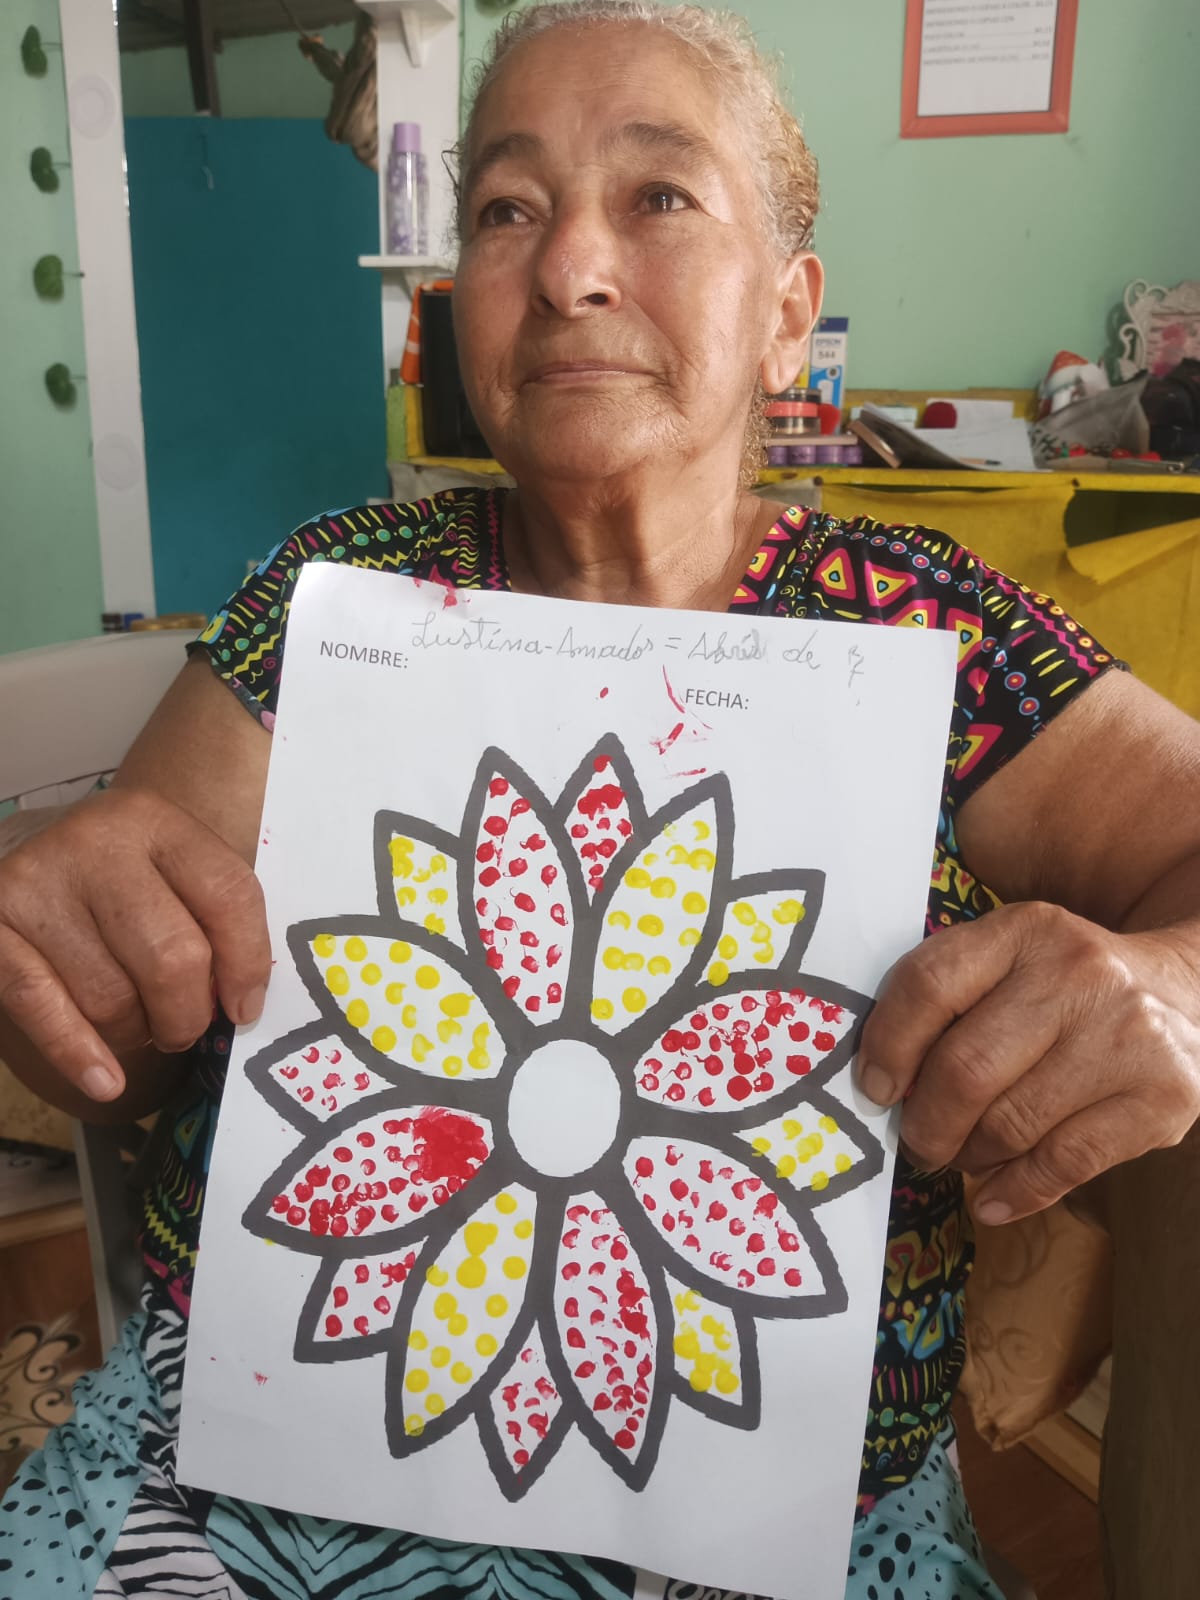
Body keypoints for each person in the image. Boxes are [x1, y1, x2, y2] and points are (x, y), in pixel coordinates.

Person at [1, 3, 1197, 1596]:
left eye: (659, 196)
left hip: (774, 1512)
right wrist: (59, 967)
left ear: (788, 314)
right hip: (243, 1473)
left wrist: (1173, 980)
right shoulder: (333, 600)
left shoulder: (923, 632)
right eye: (507, 208)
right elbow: (115, 1058)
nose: (569, 266)